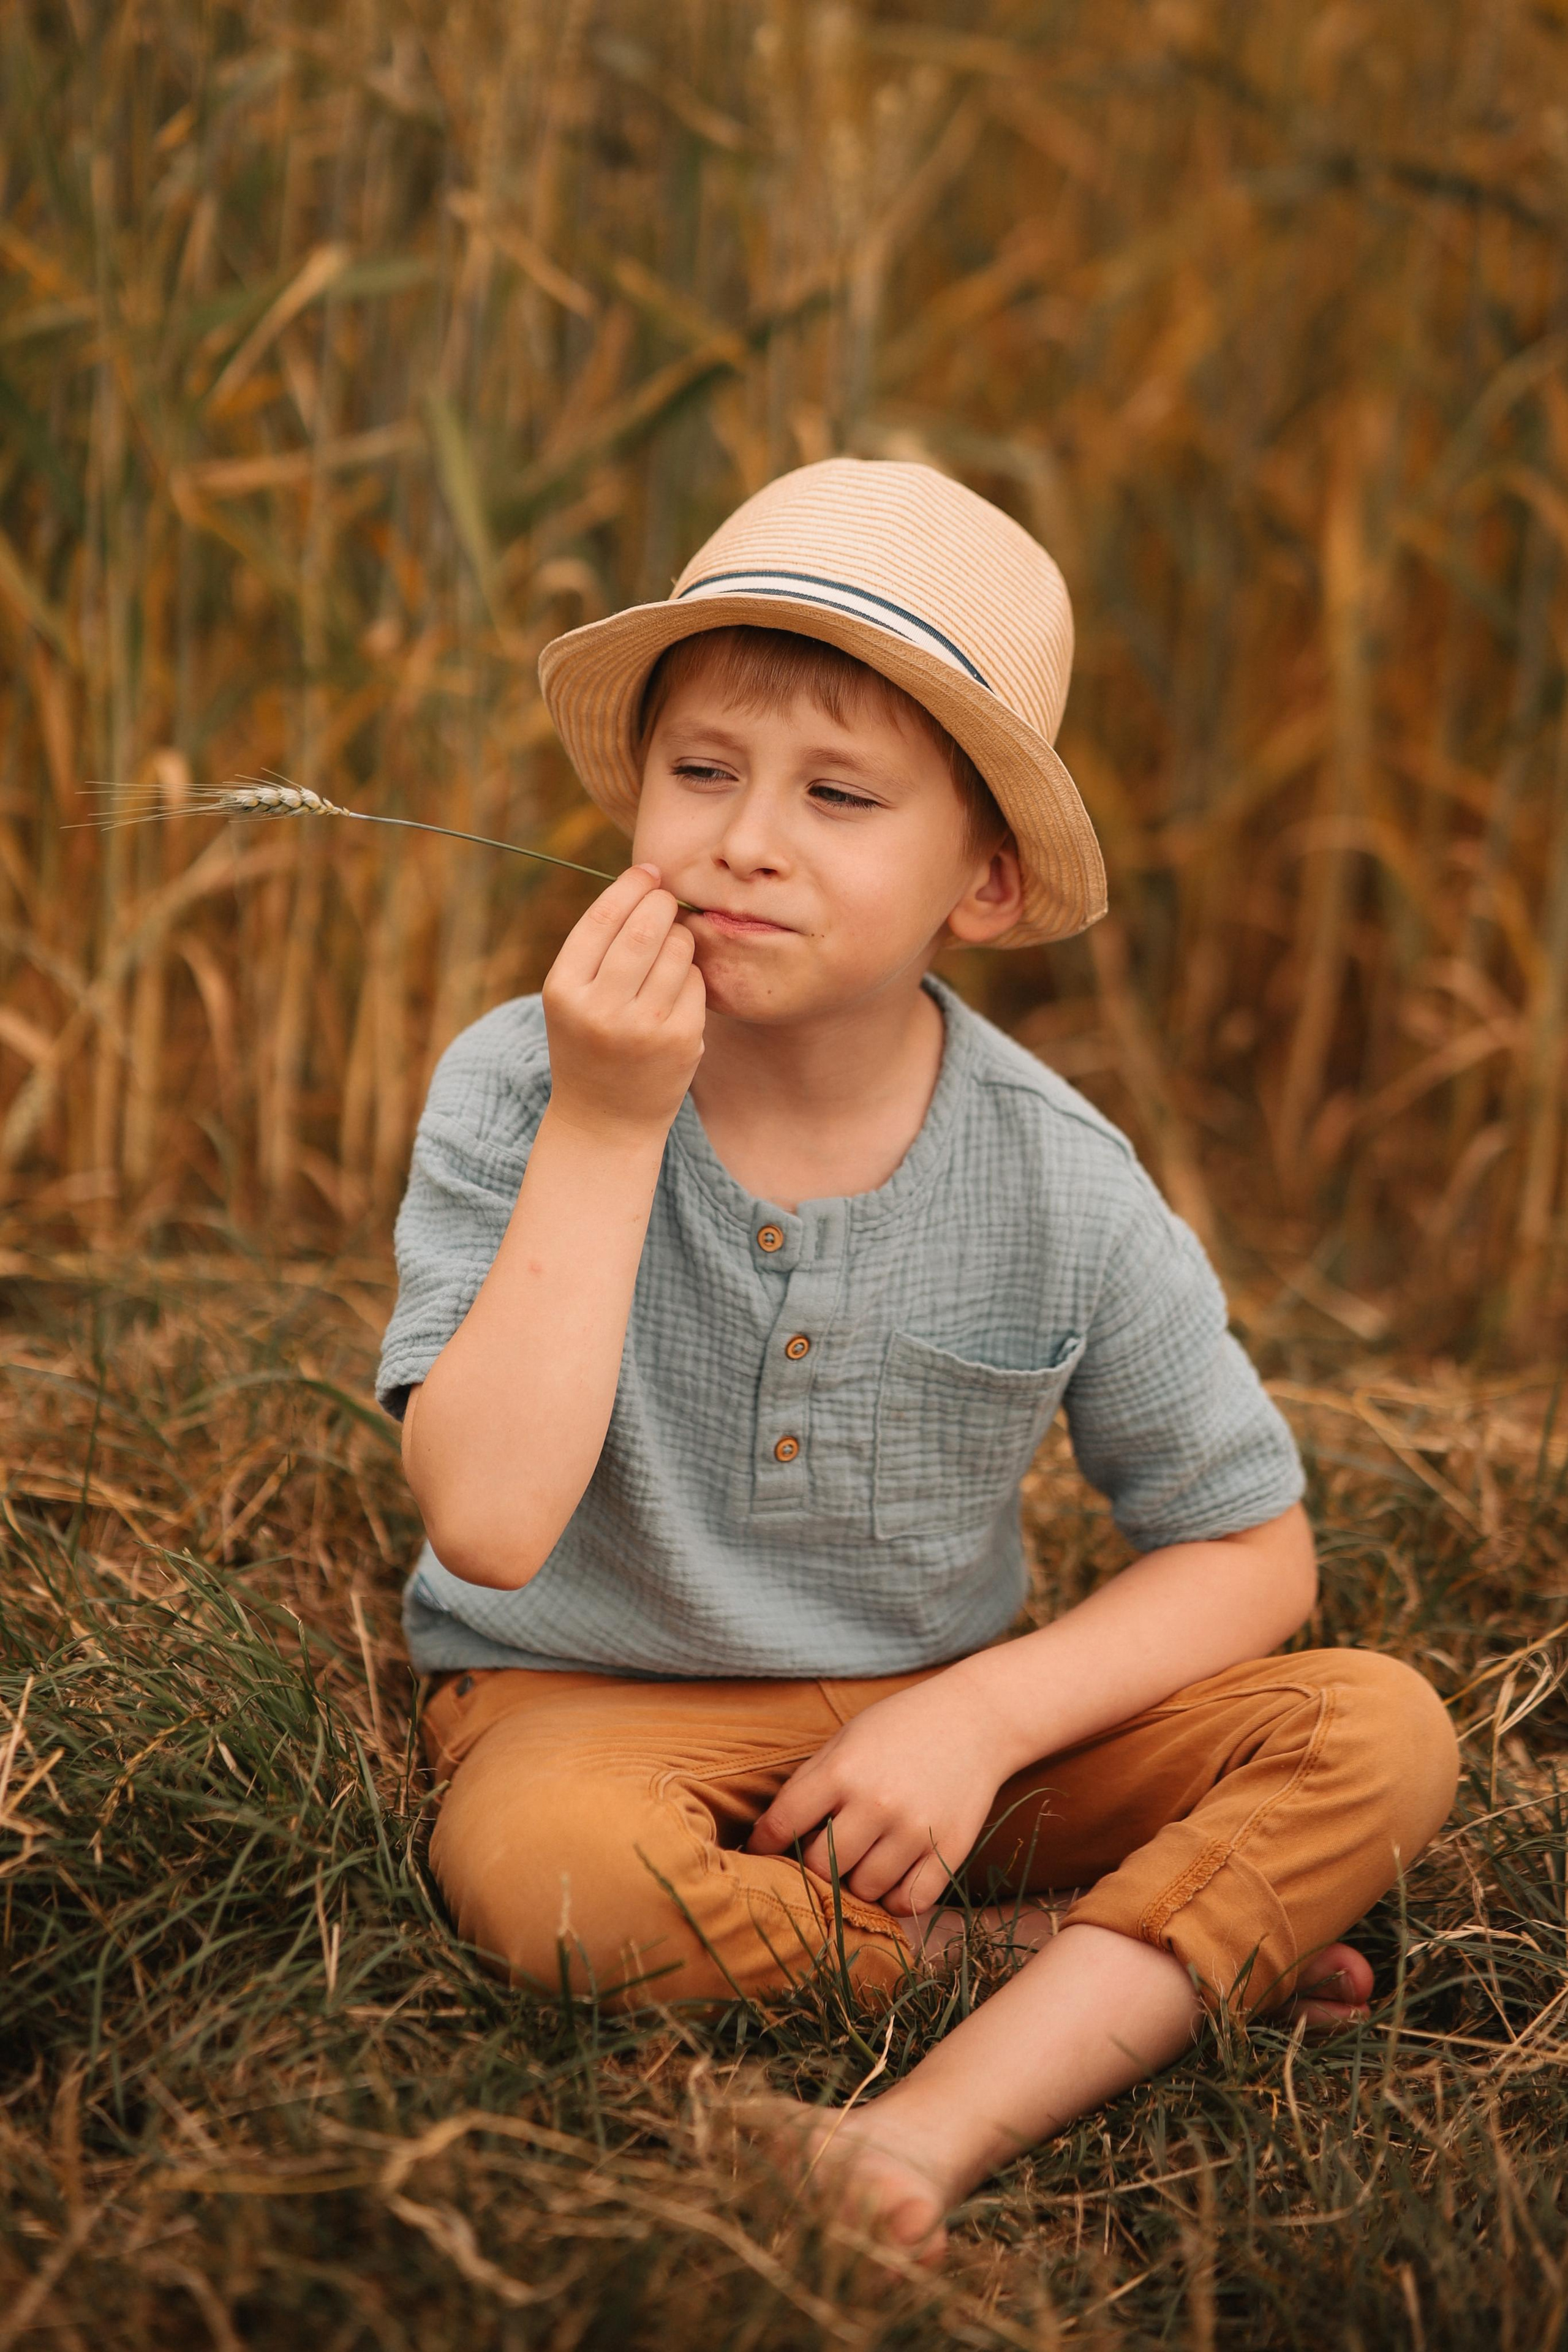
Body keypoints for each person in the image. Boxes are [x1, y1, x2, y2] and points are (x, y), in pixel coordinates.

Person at [377, 459, 1459, 2260]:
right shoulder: (526, 1083)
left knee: (1378, 1731)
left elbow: (1250, 1548)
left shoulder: (1057, 1175)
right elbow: (486, 1521)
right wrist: (608, 1122)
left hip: (939, 1735)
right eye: (702, 772)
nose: (745, 839)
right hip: (586, 1712)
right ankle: (1046, 1959)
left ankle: (919, 2131)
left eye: (840, 793)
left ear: (988, 878)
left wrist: (979, 1719)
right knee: (549, 1884)